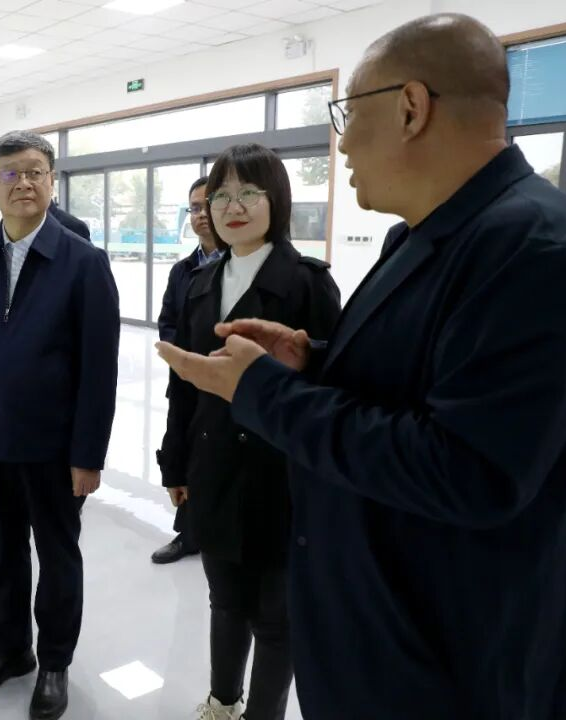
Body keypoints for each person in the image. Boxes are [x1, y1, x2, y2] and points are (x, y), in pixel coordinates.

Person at [157, 14, 566, 719]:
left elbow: (468, 470)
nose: (342, 142)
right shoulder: (417, 237)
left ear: (411, 108)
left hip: (449, 656)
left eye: (349, 114)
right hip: (374, 620)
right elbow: (416, 384)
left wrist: (264, 391)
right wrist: (311, 362)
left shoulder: (535, 250)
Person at [0, 131, 119, 720]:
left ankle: (54, 663)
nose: (24, 183)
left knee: (58, 557)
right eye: (10, 174)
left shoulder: (84, 263)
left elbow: (99, 369)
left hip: (54, 447)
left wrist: (88, 454)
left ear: (52, 181)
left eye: (36, 172)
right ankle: (12, 650)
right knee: (5, 555)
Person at [160, 145, 340, 720]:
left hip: (281, 473)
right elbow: (185, 385)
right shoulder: (198, 282)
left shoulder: (309, 283)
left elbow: (332, 387)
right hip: (213, 464)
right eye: (221, 196)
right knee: (225, 599)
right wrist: (175, 463)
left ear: (276, 200)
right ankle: (222, 702)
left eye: (248, 194)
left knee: (276, 616)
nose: (232, 207)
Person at [150, 176, 221, 565]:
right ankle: (188, 533)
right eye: (194, 207)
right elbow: (167, 320)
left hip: (226, 382)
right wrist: (183, 355)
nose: (201, 214)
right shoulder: (182, 270)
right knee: (186, 451)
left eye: (209, 204)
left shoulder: (239, 264)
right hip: (187, 380)